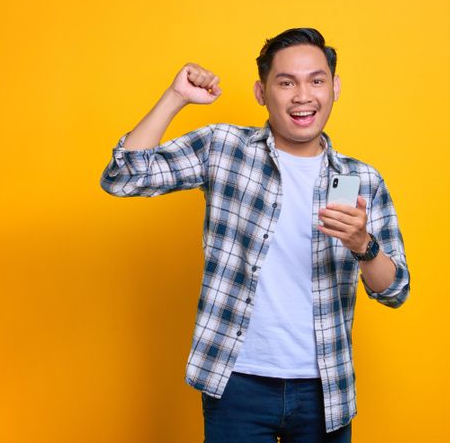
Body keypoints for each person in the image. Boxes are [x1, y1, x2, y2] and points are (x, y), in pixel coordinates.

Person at [100, 27, 411, 443]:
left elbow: (394, 290)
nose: (303, 96)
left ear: (334, 87)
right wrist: (175, 96)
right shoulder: (224, 149)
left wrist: (363, 245)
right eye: (286, 82)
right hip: (237, 385)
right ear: (262, 92)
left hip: (325, 388)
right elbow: (124, 177)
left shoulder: (360, 180)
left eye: (316, 80)